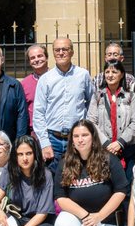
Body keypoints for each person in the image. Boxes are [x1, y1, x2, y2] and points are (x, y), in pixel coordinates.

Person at [53, 120, 127, 226]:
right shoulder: (65, 163)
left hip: (107, 221)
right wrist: (86, 216)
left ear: (93, 137)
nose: (80, 139)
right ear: (72, 139)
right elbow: (60, 197)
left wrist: (99, 216)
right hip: (82, 221)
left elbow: (121, 191)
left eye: (85, 135)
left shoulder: (109, 159)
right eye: (76, 136)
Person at [33, 37, 94, 168]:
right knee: (53, 179)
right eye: (57, 50)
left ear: (72, 52)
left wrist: (86, 127)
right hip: (52, 139)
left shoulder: (83, 75)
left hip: (77, 138)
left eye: (65, 49)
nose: (61, 53)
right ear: (53, 53)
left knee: (78, 176)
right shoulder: (45, 79)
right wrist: (44, 143)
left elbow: (92, 103)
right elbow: (38, 113)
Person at [88, 60, 135, 170]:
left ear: (121, 74)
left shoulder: (130, 96)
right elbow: (91, 122)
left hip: (127, 150)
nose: (110, 75)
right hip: (104, 150)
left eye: (114, 72)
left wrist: (120, 143)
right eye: (107, 72)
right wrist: (106, 144)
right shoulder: (97, 96)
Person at [20, 43, 48, 122]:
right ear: (29, 62)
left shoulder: (57, 78)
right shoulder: (24, 84)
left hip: (55, 129)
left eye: (40, 56)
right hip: (33, 130)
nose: (36, 60)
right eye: (32, 58)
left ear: (46, 57)